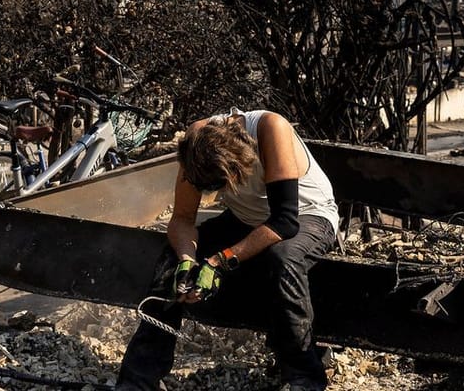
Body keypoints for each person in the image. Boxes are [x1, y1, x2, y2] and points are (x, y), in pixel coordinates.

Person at [117, 109, 339, 391]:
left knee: (282, 260)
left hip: (307, 215)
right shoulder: (197, 142)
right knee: (171, 261)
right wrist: (188, 258)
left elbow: (285, 221)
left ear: (234, 167)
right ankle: (138, 379)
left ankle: (304, 377)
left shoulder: (271, 128)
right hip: (246, 218)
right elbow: (183, 219)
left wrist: (220, 261)